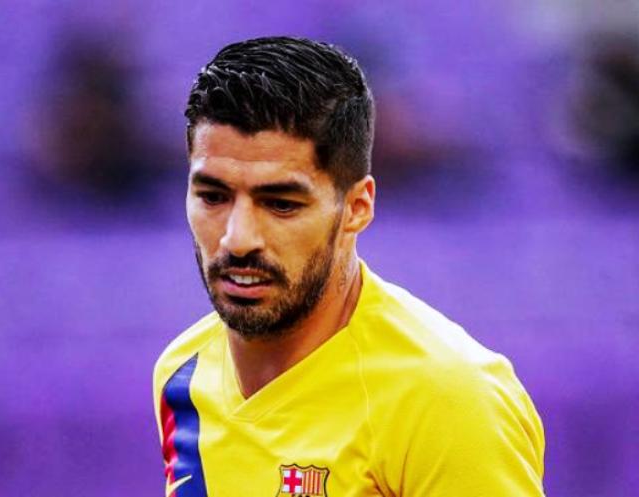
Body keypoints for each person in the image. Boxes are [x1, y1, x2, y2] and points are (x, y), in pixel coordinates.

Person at [153, 36, 545, 497]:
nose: (237, 239)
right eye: (213, 197)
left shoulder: (448, 399)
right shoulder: (181, 375)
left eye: (281, 204)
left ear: (357, 207)